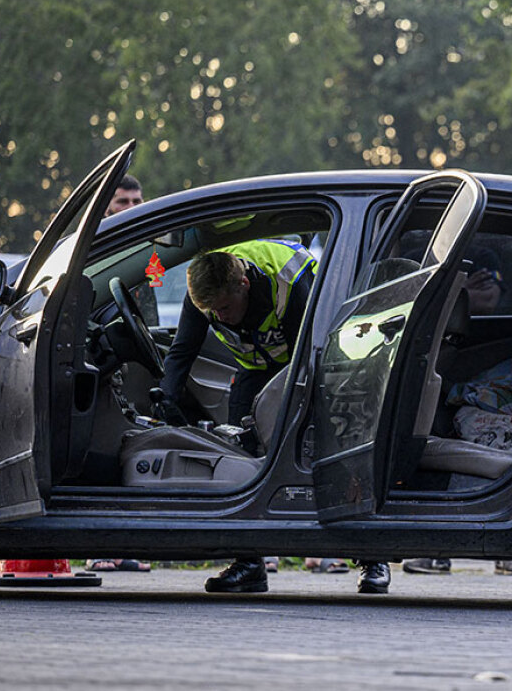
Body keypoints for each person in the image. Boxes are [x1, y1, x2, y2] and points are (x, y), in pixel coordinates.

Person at [159, 239, 390, 594]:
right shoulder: (205, 293)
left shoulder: (289, 281)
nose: (219, 317)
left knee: (335, 455)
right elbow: (183, 349)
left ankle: (372, 558)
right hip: (255, 369)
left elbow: (318, 343)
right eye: (212, 312)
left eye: (224, 308)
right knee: (242, 458)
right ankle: (249, 562)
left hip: (314, 364)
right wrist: (166, 399)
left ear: (244, 285)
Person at [403, 246, 512, 577]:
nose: (485, 282)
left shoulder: (508, 326)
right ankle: (442, 547)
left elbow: (490, 299)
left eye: (491, 279)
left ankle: (492, 545)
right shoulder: (430, 327)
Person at [87, 173, 152, 574]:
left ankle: (128, 544)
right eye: (121, 203)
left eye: (136, 201)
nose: (130, 209)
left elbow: (154, 292)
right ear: (106, 208)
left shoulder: (147, 246)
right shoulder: (94, 248)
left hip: (133, 355)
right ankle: (99, 547)